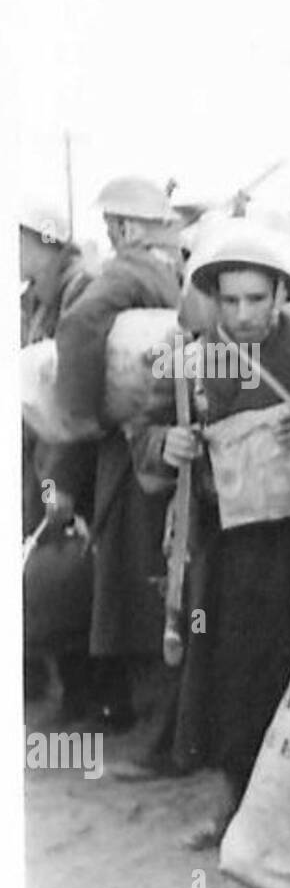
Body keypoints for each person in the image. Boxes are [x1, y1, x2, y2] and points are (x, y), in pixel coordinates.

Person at [135, 228, 290, 846]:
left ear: (279, 297)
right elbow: (142, 430)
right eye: (230, 301)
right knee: (225, 670)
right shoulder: (188, 362)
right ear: (214, 302)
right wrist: (166, 444)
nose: (243, 314)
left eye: (256, 299)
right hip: (222, 543)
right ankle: (236, 800)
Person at [43, 176, 184, 734]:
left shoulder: (124, 272)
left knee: (131, 576)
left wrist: (75, 417)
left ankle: (139, 716)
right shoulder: (167, 273)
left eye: (112, 226)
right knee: (152, 575)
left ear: (126, 228)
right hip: (156, 438)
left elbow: (78, 327)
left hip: (128, 445)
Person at [20, 206, 96, 714]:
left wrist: (61, 481)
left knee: (70, 571)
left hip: (67, 454)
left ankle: (87, 699)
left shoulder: (80, 292)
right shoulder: (34, 299)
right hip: (36, 452)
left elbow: (72, 396)